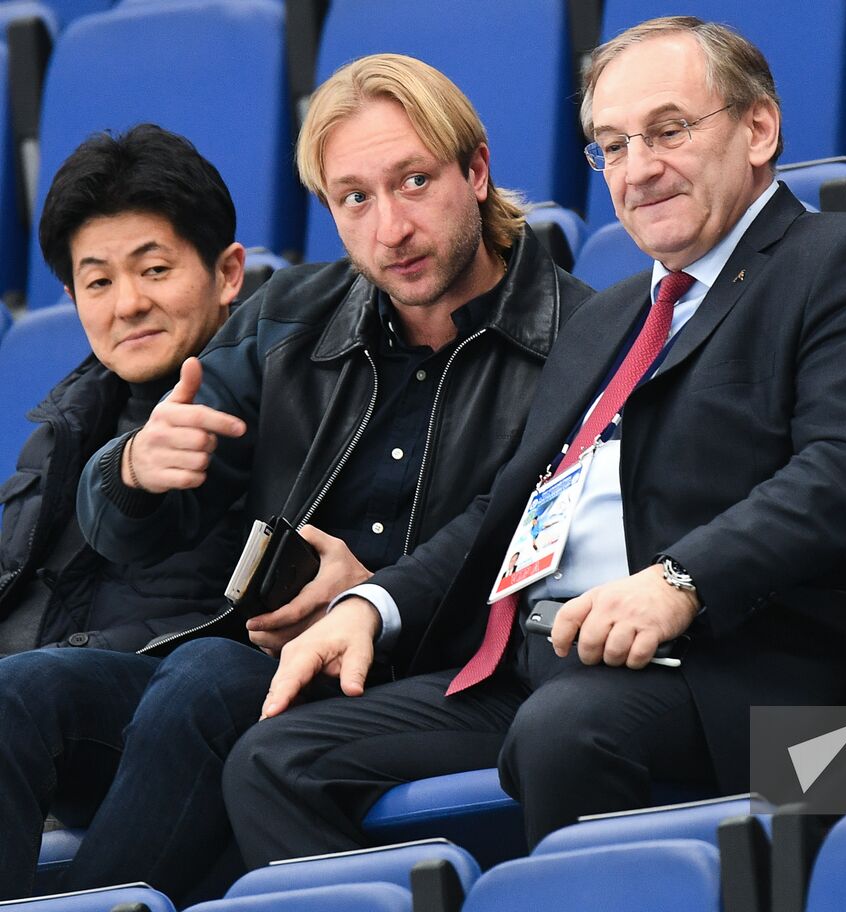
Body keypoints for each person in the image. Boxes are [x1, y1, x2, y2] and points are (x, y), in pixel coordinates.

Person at [224, 15, 846, 861]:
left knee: (566, 730)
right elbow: (506, 507)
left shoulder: (841, 261)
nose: (639, 169)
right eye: (612, 146)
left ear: (758, 128)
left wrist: (680, 581)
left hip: (725, 671)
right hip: (535, 665)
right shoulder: (613, 315)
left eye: (667, 131)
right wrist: (377, 605)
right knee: (275, 758)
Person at [0, 54, 588, 902]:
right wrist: (134, 472)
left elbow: (544, 560)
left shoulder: (581, 335)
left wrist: (374, 599)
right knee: (18, 690)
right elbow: (136, 527)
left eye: (414, 181)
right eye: (355, 198)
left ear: (477, 171)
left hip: (437, 679)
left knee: (206, 678)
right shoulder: (288, 319)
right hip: (270, 664)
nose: (391, 227)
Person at [0, 124, 245, 658]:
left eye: (154, 269)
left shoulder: (283, 398)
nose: (127, 304)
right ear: (71, 297)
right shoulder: (61, 426)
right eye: (99, 283)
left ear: (228, 273)